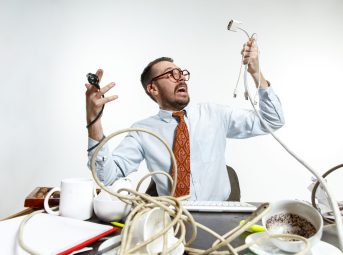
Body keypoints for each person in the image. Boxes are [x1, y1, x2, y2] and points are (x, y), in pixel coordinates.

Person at [86, 38, 284, 201]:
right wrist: (94, 120)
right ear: (153, 88)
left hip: (219, 216)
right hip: (172, 219)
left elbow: (273, 120)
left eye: (181, 74)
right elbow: (106, 177)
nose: (180, 78)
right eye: (170, 75)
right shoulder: (142, 132)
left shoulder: (215, 114)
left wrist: (256, 74)